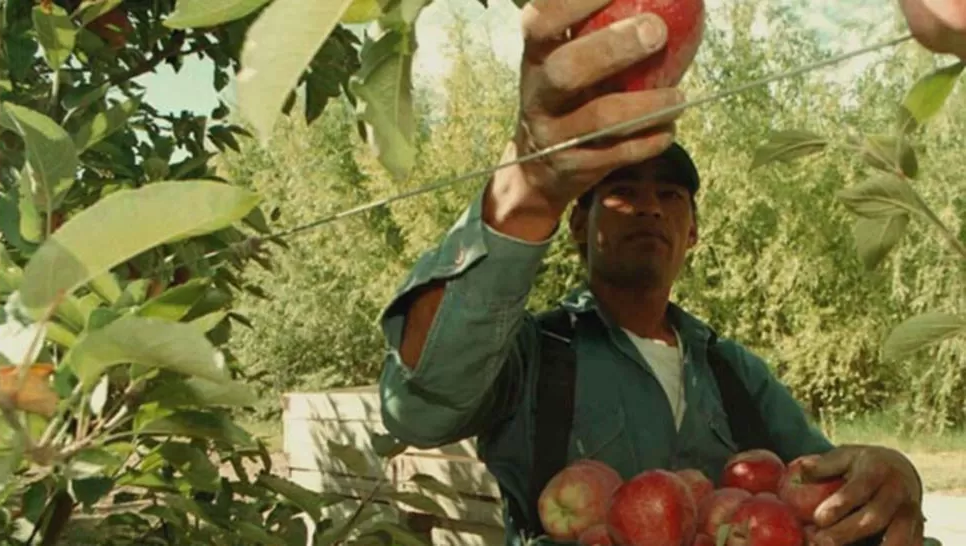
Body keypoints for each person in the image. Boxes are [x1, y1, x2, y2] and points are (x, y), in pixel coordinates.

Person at [376, 1, 966, 545]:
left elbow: (819, 488)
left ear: (694, 234)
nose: (649, 206)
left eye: (670, 194)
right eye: (622, 192)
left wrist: (888, 474)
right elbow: (420, 410)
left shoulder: (734, 373)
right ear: (578, 226)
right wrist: (528, 192)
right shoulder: (535, 354)